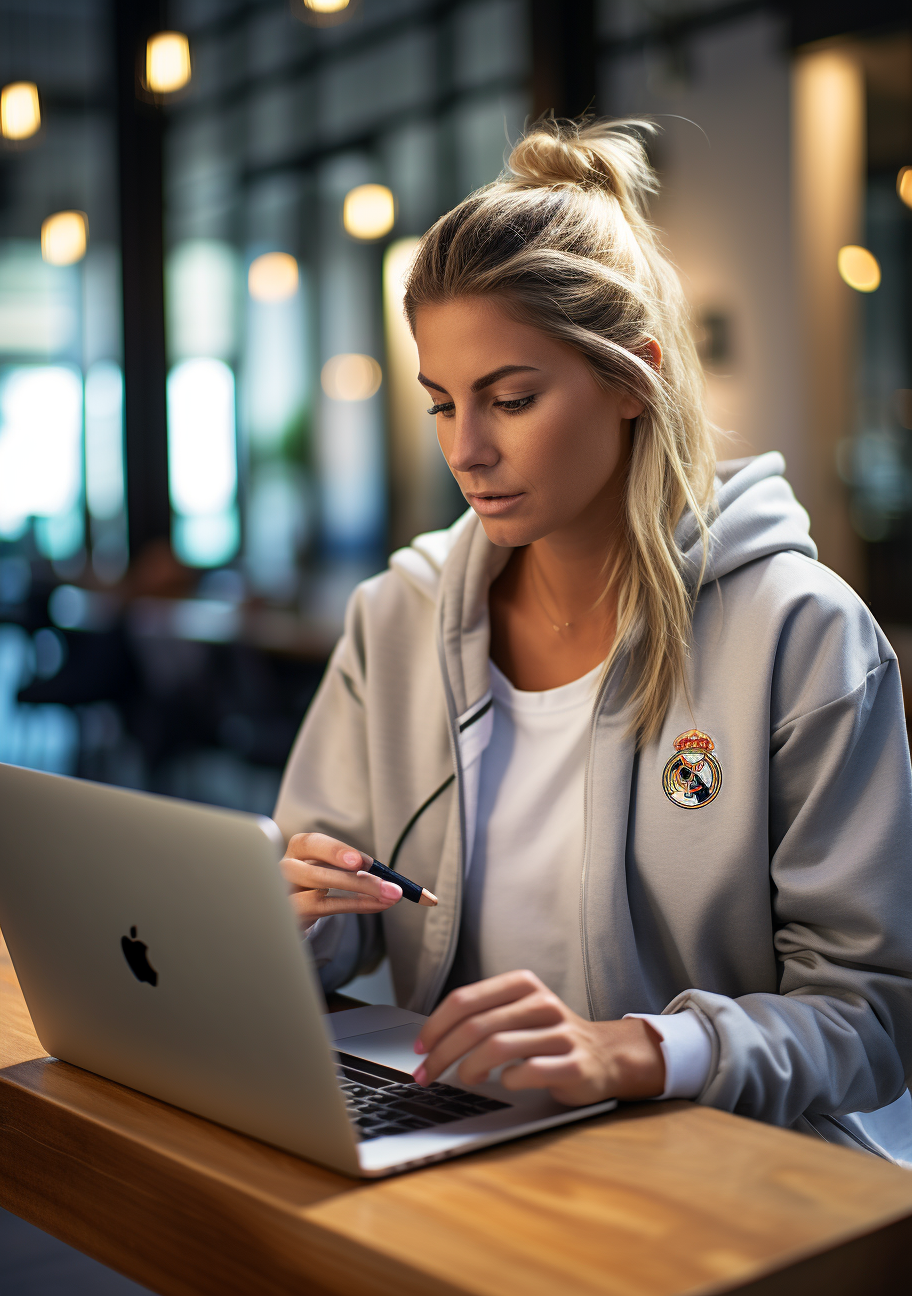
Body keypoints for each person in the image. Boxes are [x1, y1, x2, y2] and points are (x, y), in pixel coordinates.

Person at [274, 117, 912, 1160]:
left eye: (511, 399)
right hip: (463, 1140)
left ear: (632, 379)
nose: (466, 451)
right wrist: (297, 912)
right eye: (441, 405)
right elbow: (333, 921)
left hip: (726, 1167)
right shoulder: (395, 619)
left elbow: (877, 1018)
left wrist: (636, 1050)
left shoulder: (802, 636)